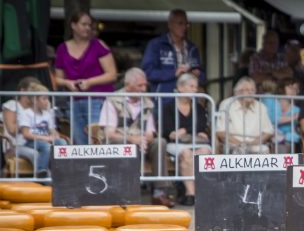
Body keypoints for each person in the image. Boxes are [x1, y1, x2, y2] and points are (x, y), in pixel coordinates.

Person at [99, 67, 174, 207]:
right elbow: (109, 135)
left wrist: (146, 139)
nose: (144, 89)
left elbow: (151, 131)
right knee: (128, 146)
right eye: (140, 85)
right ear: (128, 85)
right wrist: (133, 140)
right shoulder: (113, 100)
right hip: (119, 141)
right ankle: (128, 192)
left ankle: (159, 192)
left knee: (160, 142)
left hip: (140, 141)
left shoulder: (147, 102)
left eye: (145, 85)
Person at [54, 11, 117, 146]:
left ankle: (100, 167)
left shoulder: (98, 45)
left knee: (96, 139)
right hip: (74, 100)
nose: (88, 28)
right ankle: (83, 168)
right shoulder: (62, 48)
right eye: (84, 24)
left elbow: (112, 74)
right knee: (79, 142)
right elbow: (57, 79)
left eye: (90, 25)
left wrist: (89, 82)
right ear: (73, 25)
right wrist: (67, 83)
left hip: (97, 99)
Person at [160, 72, 212, 206]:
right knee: (186, 154)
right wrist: (192, 129)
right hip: (176, 144)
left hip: (196, 142)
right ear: (181, 87)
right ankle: (191, 193)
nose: (195, 90)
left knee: (204, 153)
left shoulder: (199, 107)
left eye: (196, 87)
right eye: (191, 86)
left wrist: (184, 130)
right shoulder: (168, 107)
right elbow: (167, 132)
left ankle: (197, 193)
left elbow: (202, 125)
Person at [142, 9, 206, 93]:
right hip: (164, 99)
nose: (184, 27)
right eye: (180, 23)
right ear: (170, 24)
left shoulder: (192, 48)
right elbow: (148, 73)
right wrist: (174, 73)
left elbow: (203, 78)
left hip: (188, 98)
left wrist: (197, 74)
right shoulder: (156, 45)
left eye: (186, 24)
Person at [17, 83, 68, 177]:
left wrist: (55, 136)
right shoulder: (26, 113)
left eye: (47, 99)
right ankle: (41, 171)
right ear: (34, 100)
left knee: (62, 142)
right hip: (30, 142)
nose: (47, 102)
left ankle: (62, 169)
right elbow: (26, 134)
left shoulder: (47, 114)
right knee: (46, 146)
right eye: (44, 99)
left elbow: (52, 130)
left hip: (44, 140)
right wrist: (46, 138)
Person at [215, 77, 274, 154]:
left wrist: (252, 143)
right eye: (247, 90)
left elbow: (268, 132)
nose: (250, 92)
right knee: (239, 151)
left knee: (264, 149)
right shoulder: (227, 104)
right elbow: (220, 131)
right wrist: (240, 143)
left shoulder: (261, 107)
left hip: (255, 144)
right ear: (237, 92)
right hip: (233, 144)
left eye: (252, 90)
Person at [0, 76, 43, 169]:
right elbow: (11, 130)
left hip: (38, 143)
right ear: (22, 91)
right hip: (15, 146)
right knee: (35, 154)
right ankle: (45, 180)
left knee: (54, 151)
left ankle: (61, 180)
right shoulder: (11, 105)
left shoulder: (37, 107)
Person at [262, 78, 301, 154]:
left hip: (285, 140)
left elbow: (296, 134)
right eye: (290, 87)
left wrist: (285, 137)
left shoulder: (297, 109)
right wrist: (292, 118)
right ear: (282, 88)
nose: (293, 90)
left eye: (296, 89)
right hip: (268, 136)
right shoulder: (271, 101)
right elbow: (270, 119)